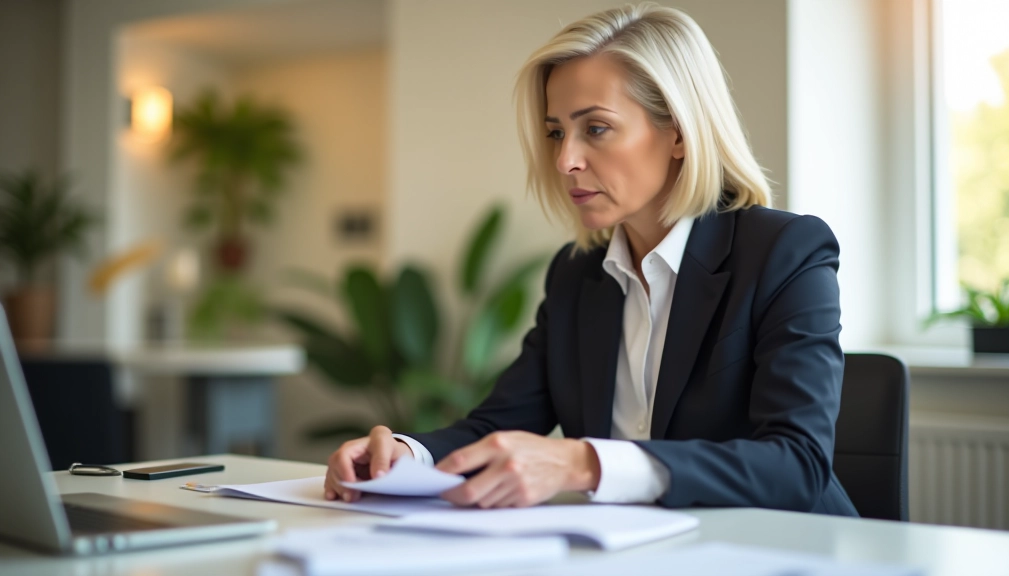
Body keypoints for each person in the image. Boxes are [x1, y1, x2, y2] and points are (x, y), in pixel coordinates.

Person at [324, 2, 858, 516]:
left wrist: (585, 463)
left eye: (595, 128)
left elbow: (798, 464)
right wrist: (405, 454)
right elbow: (496, 427)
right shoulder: (576, 275)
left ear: (678, 131)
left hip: (785, 548)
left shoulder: (785, 252)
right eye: (557, 132)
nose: (565, 160)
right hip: (636, 549)